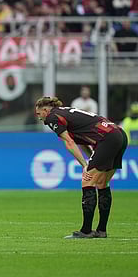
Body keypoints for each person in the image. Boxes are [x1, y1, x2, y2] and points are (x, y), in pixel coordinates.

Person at [35, 96, 128, 239]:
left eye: (39, 113)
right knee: (102, 183)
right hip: (118, 134)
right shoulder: (64, 112)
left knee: (87, 181)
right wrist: (91, 158)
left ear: (46, 110)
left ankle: (86, 231)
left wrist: (85, 165)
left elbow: (70, 143)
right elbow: (83, 140)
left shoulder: (52, 117)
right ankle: (101, 231)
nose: (39, 117)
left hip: (107, 139)